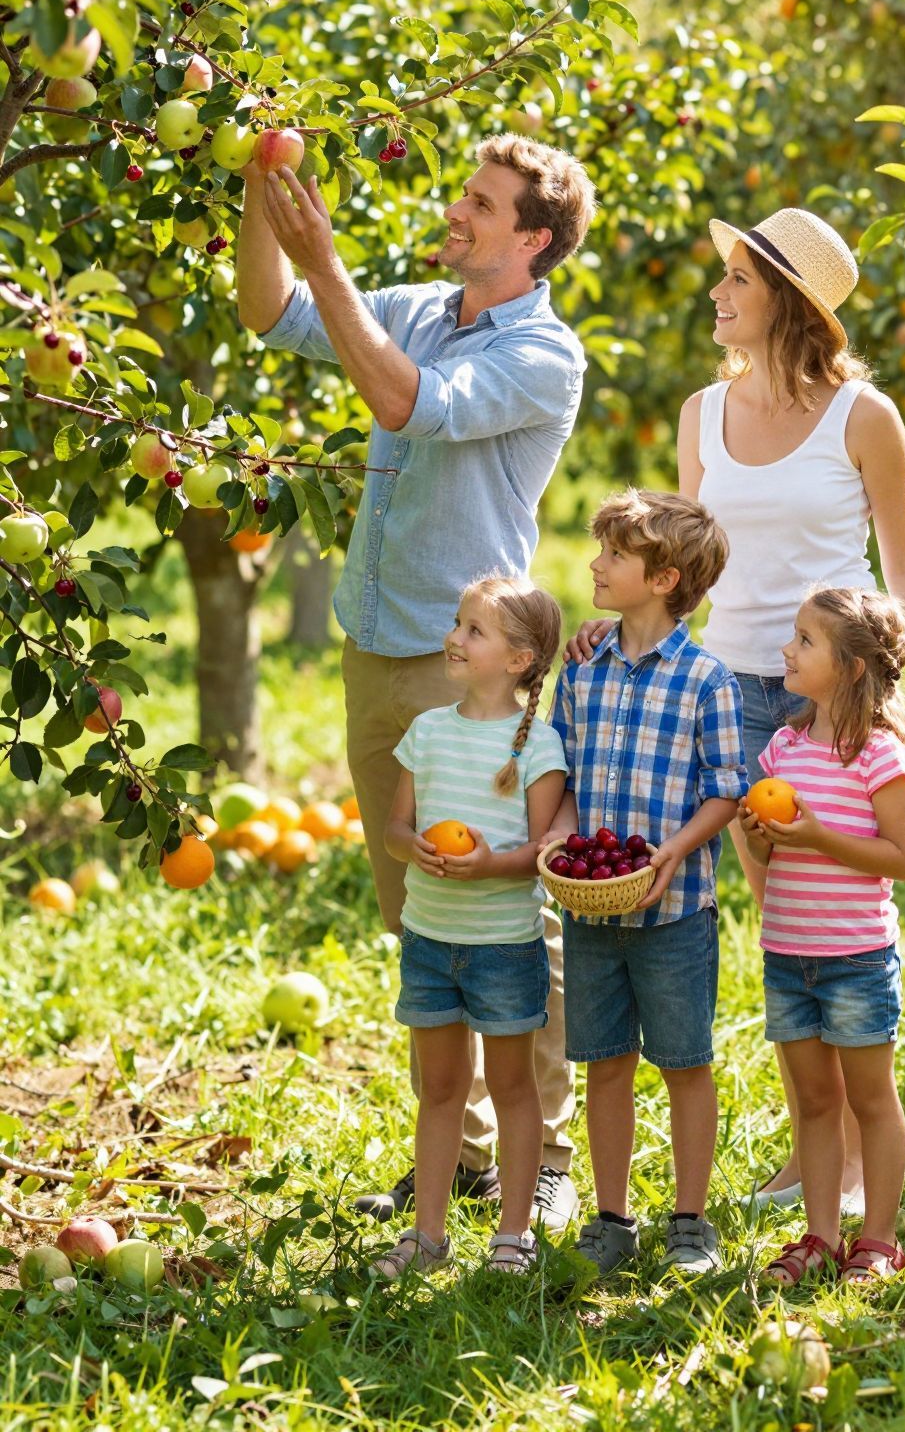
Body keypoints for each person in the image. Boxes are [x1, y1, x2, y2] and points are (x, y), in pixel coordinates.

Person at [236, 132, 596, 1232]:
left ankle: (545, 1147)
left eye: (480, 204)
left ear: (532, 238)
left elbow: (406, 404)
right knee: (423, 908)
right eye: (461, 195)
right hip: (378, 644)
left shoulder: (546, 354)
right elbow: (275, 312)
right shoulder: (426, 305)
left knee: (504, 906)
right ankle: (470, 1152)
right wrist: (260, 193)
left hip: (476, 664)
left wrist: (329, 258)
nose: (457, 211)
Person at [569, 205, 905, 1210]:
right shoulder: (704, 411)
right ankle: (810, 1148)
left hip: (837, 690)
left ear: (784, 299)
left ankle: (862, 1143)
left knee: (844, 915)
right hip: (734, 688)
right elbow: (683, 561)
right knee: (781, 916)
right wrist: (616, 637)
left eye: (737, 278)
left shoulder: (864, 417)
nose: (717, 292)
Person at [545, 490, 746, 1278]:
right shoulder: (584, 669)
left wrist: (671, 853)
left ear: (663, 578)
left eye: (613, 555)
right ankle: (611, 1218)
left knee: (685, 1062)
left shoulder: (706, 680)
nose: (596, 564)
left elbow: (727, 789)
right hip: (595, 912)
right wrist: (562, 835)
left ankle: (690, 1222)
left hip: (677, 911)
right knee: (606, 1063)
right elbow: (560, 767)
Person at [377, 576, 569, 1279]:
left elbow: (542, 855)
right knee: (440, 1091)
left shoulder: (538, 746)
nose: (454, 638)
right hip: (430, 940)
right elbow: (397, 827)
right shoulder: (426, 732)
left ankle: (511, 1238)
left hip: (504, 948)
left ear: (519, 659)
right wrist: (412, 847)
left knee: (514, 1089)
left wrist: (489, 865)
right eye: (458, 623)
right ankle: (429, 1238)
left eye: (474, 630)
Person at [738, 587, 905, 1284]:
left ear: (848, 668)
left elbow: (902, 859)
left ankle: (878, 1240)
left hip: (856, 959)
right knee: (814, 1103)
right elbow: (768, 860)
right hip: (788, 955)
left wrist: (817, 832)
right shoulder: (782, 748)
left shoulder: (880, 755)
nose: (788, 649)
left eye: (806, 641)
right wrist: (762, 839)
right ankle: (818, 1236)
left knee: (870, 1100)